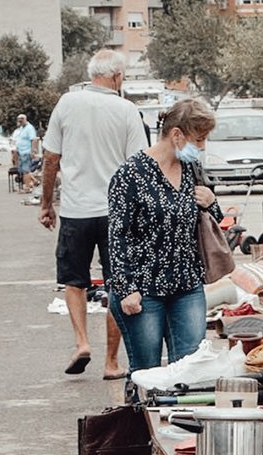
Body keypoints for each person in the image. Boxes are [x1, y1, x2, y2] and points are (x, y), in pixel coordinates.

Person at [40, 49, 144, 377]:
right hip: (116, 213)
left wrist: (46, 204)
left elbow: (50, 159)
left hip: (76, 209)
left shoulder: (67, 103)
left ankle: (82, 341)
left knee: (74, 281)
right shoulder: (127, 110)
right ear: (115, 77)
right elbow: (138, 167)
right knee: (117, 284)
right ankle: (112, 362)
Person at [107, 99, 221, 372]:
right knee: (148, 372)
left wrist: (211, 202)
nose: (202, 147)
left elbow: (207, 221)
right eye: (199, 139)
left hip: (186, 285)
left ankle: (179, 416)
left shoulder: (190, 169)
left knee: (190, 368)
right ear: (177, 135)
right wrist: (126, 290)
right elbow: (117, 235)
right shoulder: (130, 175)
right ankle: (139, 415)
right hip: (143, 290)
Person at [11, 113, 39, 195]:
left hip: (26, 152)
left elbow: (33, 140)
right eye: (18, 120)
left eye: (21, 120)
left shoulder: (29, 128)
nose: (20, 122)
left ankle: (28, 187)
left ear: (25, 119)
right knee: (23, 170)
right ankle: (32, 182)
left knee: (26, 170)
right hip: (21, 152)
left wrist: (33, 151)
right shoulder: (22, 129)